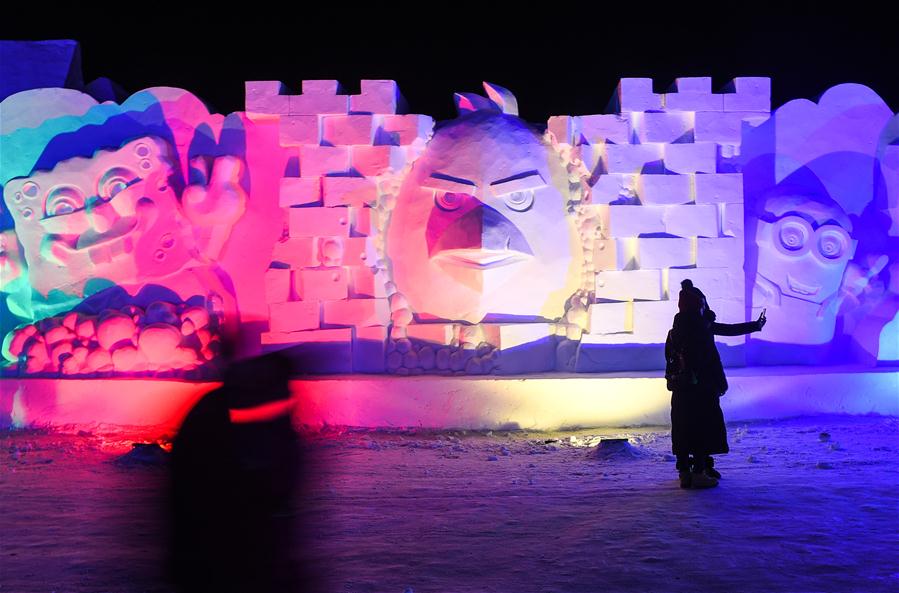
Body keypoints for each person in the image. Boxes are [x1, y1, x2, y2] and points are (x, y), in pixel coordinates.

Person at [665, 279, 767, 489]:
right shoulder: (702, 330)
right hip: (702, 390)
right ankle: (700, 471)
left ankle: (685, 471)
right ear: (700, 306)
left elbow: (670, 359)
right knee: (703, 428)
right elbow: (712, 356)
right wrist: (719, 383)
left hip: (682, 389)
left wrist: (754, 326)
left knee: (684, 429)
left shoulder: (675, 331)